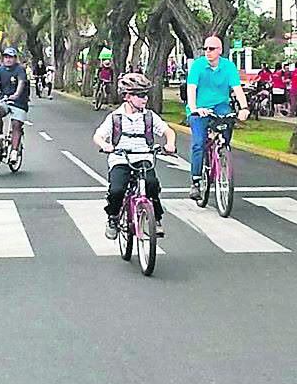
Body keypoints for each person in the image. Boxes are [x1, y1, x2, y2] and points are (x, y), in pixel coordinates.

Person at [93, 73, 177, 240]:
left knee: (152, 184)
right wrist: (105, 145)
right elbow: (98, 136)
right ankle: (113, 218)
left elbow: (168, 131)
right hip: (121, 158)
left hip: (143, 157)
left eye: (145, 95)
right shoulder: (115, 117)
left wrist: (170, 143)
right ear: (127, 97)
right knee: (117, 190)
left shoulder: (149, 116)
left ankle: (157, 218)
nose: (144, 99)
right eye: (139, 95)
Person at [187, 35, 250, 199]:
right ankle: (196, 181)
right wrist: (194, 108)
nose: (208, 52)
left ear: (220, 50)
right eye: (206, 49)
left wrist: (244, 108)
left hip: (220, 106)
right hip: (199, 107)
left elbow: (237, 89)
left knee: (228, 121)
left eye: (212, 49)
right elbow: (191, 89)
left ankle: (222, 151)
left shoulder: (228, 67)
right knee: (198, 143)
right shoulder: (197, 66)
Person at [0, 47, 29, 162]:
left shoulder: (19, 70)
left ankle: (14, 151)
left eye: (11, 57)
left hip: (19, 102)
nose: (8, 59)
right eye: (6, 57)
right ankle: (0, 136)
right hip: (4, 100)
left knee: (16, 124)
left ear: (15, 59)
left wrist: (17, 94)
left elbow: (21, 82)